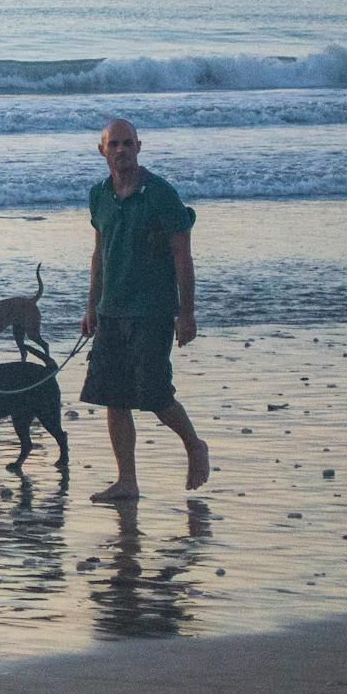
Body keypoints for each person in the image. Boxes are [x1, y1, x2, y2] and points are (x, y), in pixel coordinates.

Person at [79, 118, 210, 502]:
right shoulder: (99, 195)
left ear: (139, 147)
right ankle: (127, 480)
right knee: (113, 397)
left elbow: (183, 257)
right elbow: (99, 255)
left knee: (153, 394)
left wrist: (187, 313)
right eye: (113, 144)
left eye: (127, 143)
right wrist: (91, 307)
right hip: (111, 311)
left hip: (152, 310)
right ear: (102, 150)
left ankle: (194, 445)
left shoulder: (161, 194)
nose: (121, 150)